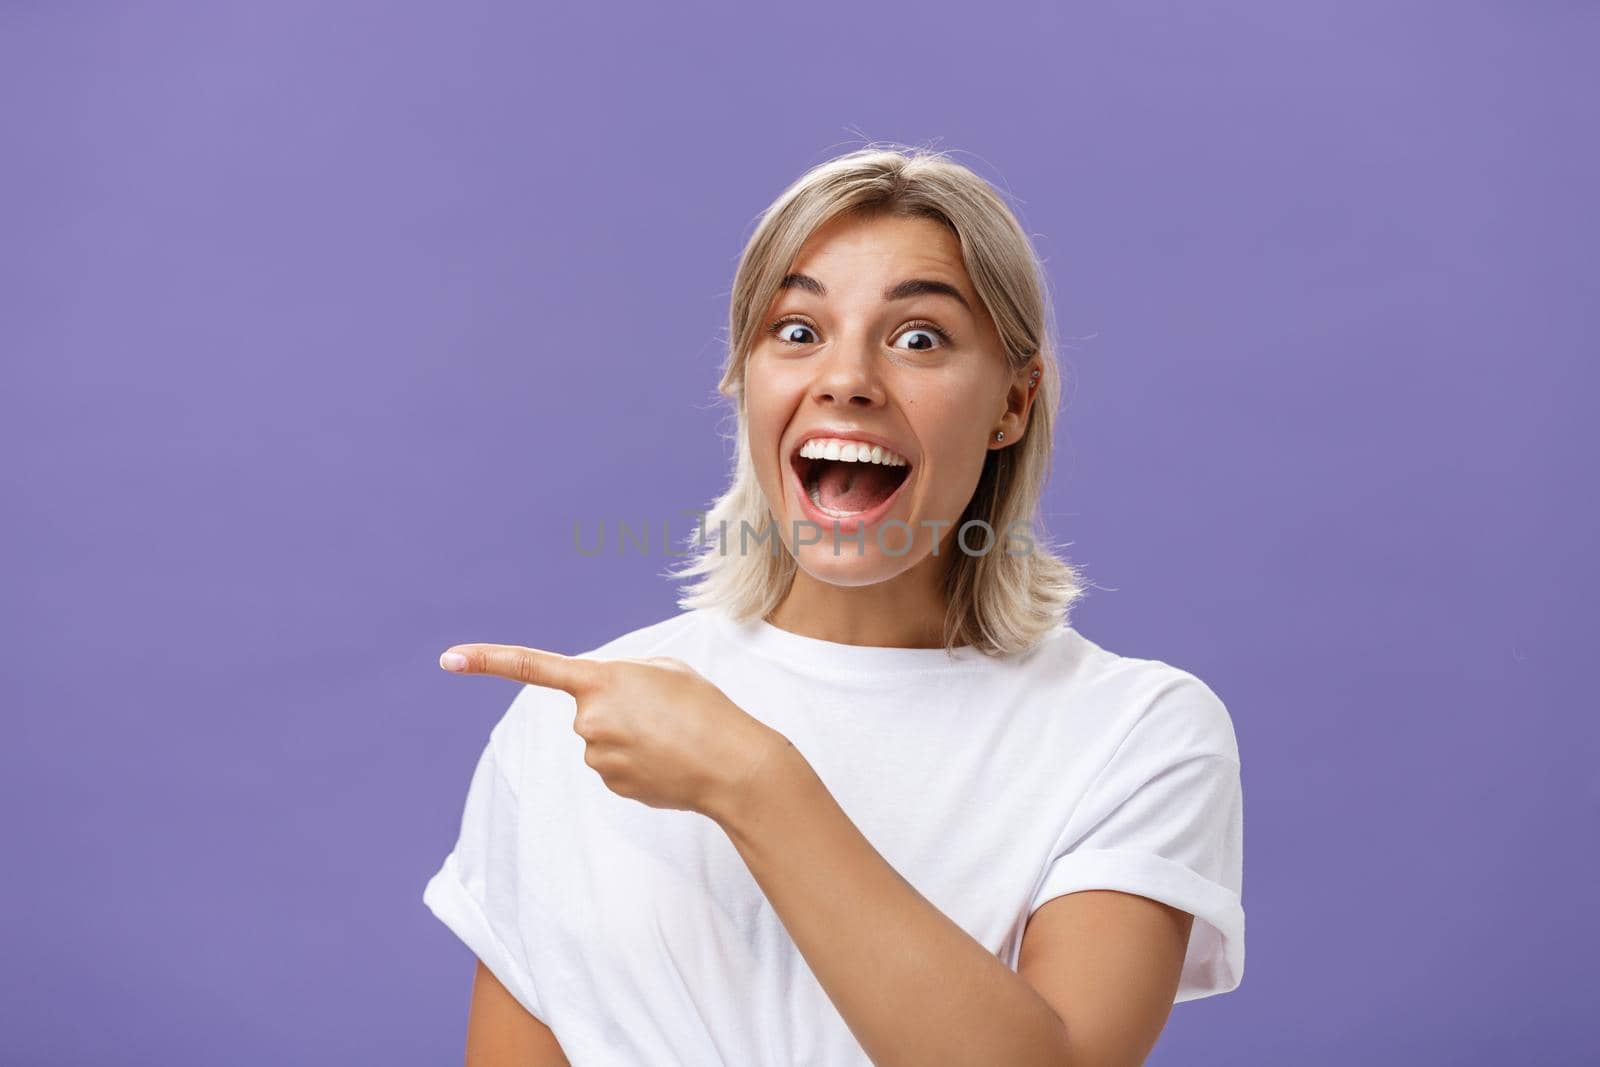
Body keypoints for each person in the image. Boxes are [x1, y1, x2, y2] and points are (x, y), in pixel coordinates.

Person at [422, 144, 1244, 1065]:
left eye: (918, 337)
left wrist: (754, 782)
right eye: (799, 330)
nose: (846, 377)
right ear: (745, 379)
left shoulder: (1139, 733)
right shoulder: (574, 728)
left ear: (1014, 402)